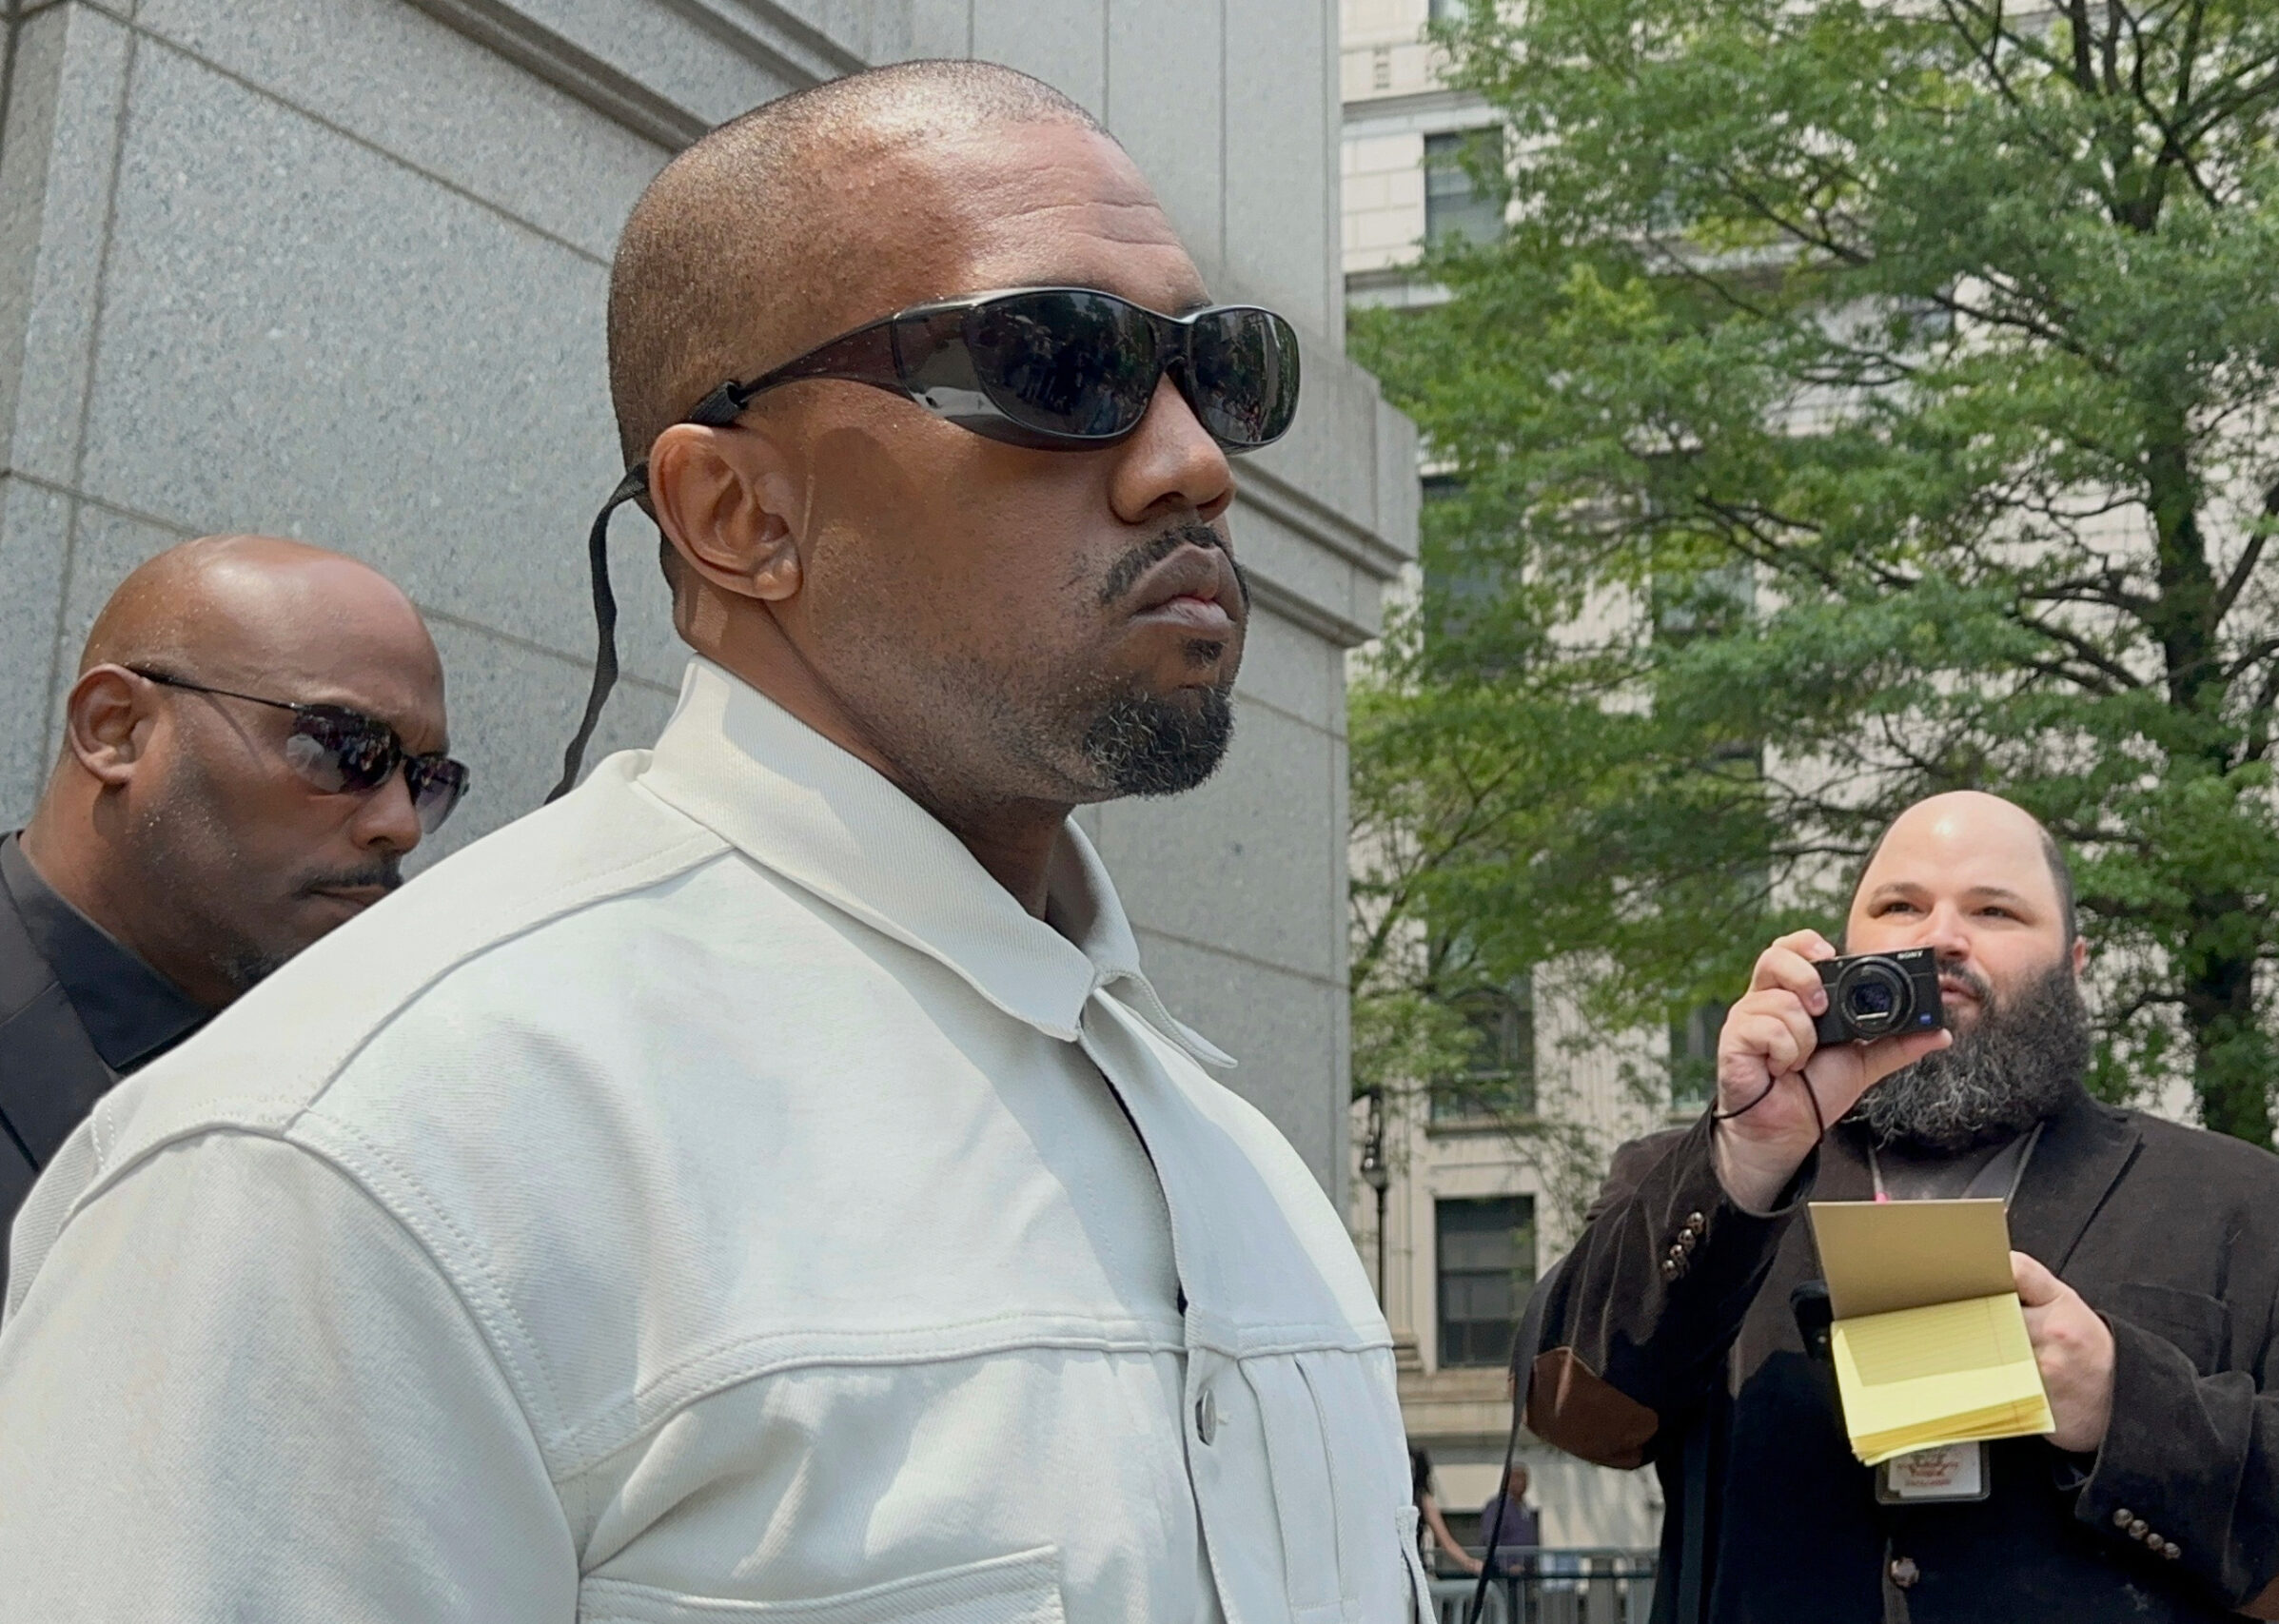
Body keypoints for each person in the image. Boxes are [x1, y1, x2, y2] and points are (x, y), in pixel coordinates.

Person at [0, 62, 1422, 1621]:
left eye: (1225, 373)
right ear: (737, 513)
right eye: (1060, 359)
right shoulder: (351, 1162)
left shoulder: (1247, 1169)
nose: (1195, 462)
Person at [1516, 791, 2279, 1623]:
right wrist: (1744, 1156)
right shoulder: (1706, 1174)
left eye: (1995, 910)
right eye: (1899, 906)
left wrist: (2127, 1404)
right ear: (1841, 950)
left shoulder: (2250, 1205)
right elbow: (1567, 1408)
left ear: (2074, 964)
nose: (1942, 936)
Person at [0, 535, 457, 1293]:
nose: (401, 824)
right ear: (116, 729)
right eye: (344, 747)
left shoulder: (381, 1124)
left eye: (428, 779)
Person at [1414, 1446, 1487, 1576]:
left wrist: (1468, 1563)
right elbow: (1446, 1542)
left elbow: (1446, 1541)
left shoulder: (1422, 1500)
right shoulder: (1422, 1500)